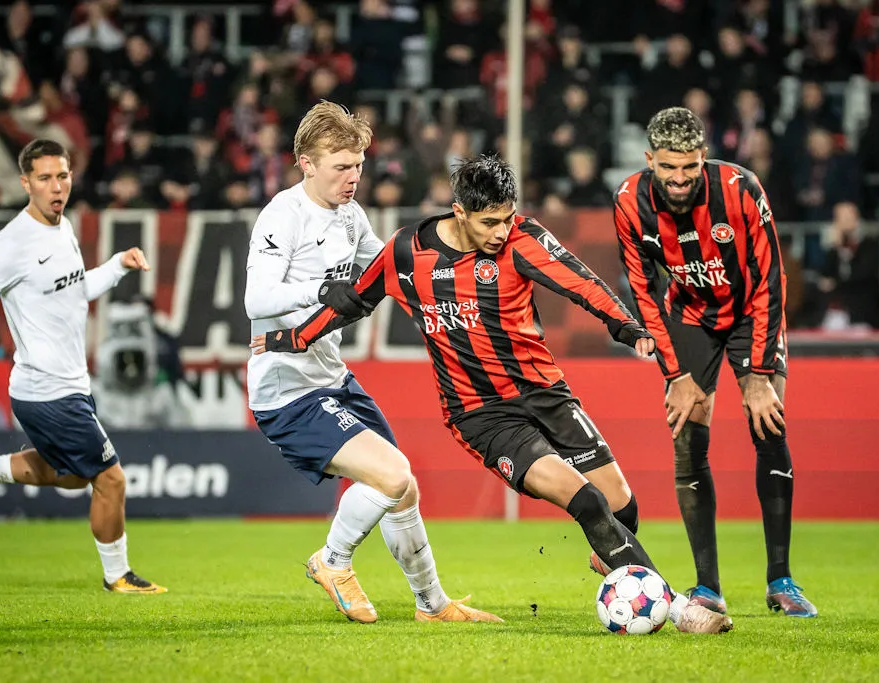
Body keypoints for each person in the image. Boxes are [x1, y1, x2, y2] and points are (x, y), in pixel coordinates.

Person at [253, 154, 734, 634]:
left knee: (621, 506)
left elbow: (577, 279)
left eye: (507, 218)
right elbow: (352, 301)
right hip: (483, 415)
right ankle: (674, 608)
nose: (502, 231)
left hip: (546, 393)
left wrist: (623, 323)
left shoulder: (522, 238)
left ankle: (614, 553)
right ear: (459, 212)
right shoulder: (405, 252)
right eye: (490, 222)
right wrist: (287, 340)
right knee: (585, 501)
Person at [245, 100, 500, 624]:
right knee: (392, 473)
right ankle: (331, 561)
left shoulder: (351, 216)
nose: (353, 177)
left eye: (358, 165)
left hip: (331, 377)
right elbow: (256, 299)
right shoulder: (282, 215)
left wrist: (451, 299)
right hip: (286, 388)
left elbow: (389, 271)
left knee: (402, 486)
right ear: (306, 163)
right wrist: (320, 289)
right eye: (341, 166)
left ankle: (432, 604)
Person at [0, 139, 164, 595]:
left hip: (70, 384)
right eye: (44, 178)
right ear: (25, 183)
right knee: (111, 480)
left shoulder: (62, 227)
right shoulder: (10, 245)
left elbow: (74, 290)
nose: (57, 187)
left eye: (63, 176)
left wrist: (117, 265)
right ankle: (118, 575)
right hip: (45, 390)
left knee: (75, 476)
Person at [613, 106, 817, 617]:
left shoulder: (741, 188)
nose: (679, 179)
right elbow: (642, 291)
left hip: (752, 310)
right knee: (687, 436)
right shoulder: (629, 201)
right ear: (649, 161)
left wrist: (761, 375)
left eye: (689, 167)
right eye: (668, 168)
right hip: (689, 317)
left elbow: (772, 279)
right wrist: (675, 376)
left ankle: (781, 580)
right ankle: (708, 587)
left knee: (768, 422)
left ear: (703, 158)